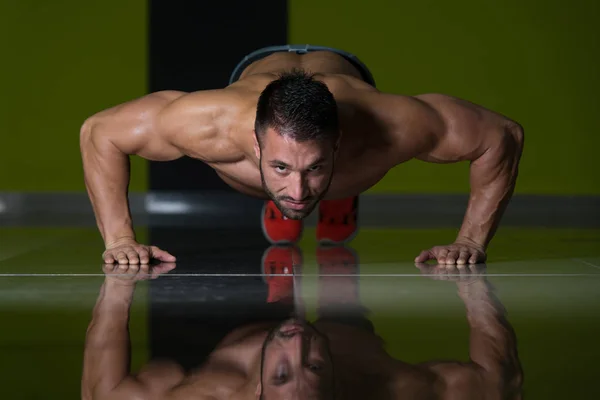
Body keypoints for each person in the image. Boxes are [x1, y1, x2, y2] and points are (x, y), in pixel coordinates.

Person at [80, 45, 524, 266]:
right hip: (260, 70)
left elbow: (502, 135)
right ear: (255, 144)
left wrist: (470, 241)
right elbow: (99, 132)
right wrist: (120, 240)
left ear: (338, 143)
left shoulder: (392, 127)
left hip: (341, 73)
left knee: (327, 181)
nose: (297, 187)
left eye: (315, 167)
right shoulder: (203, 122)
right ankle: (310, 187)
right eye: (279, 166)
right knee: (296, 186)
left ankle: (336, 191)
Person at [82, 259, 523, 400]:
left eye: (281, 374)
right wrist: (473, 287)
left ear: (258, 392)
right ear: (334, 385)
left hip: (236, 329)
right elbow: (497, 380)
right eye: (312, 367)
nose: (296, 348)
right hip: (344, 328)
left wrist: (118, 289)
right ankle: (332, 203)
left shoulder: (211, 391)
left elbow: (101, 391)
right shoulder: (387, 386)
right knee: (338, 298)